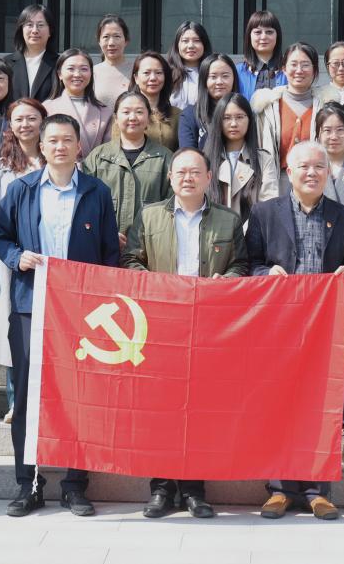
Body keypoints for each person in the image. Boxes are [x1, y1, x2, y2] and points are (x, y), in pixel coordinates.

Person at [0, 113, 120, 518]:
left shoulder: (97, 192)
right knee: (29, 396)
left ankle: (75, 485)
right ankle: (27, 484)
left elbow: (109, 254)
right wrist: (17, 256)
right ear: (41, 146)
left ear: (79, 146)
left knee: (79, 396)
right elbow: (0, 236)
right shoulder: (22, 189)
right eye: (53, 141)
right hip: (31, 306)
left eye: (67, 140)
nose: (60, 147)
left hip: (82, 312)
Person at [122, 147, 247, 518]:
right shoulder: (149, 216)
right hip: (160, 325)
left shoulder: (228, 220)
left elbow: (242, 265)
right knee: (160, 409)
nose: (188, 178)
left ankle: (194, 490)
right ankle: (161, 489)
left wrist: (225, 281)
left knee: (200, 408)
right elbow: (131, 260)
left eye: (195, 172)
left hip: (208, 326)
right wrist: (156, 287)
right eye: (181, 172)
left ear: (209, 177)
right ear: (170, 178)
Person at [247, 140, 344, 521]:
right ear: (289, 171)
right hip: (279, 329)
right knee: (279, 406)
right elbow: (250, 264)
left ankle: (318, 490)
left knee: (323, 407)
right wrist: (267, 274)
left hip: (326, 331)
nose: (312, 173)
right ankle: (279, 489)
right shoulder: (264, 213)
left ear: (328, 172)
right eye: (304, 167)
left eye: (319, 167)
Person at [0, 98, 46, 425]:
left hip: (49, 258)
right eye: (18, 119)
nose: (25, 125)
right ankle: (15, 401)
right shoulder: (0, 167)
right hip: (10, 260)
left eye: (32, 118)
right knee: (13, 331)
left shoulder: (58, 159)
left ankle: (44, 403)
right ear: (10, 125)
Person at [84, 89, 173, 249]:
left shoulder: (165, 158)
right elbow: (85, 203)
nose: (133, 117)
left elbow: (172, 205)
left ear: (149, 117)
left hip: (150, 248)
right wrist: (106, 233)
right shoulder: (98, 157)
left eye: (139, 112)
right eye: (126, 112)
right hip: (103, 247)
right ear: (116, 118)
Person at [253, 41, 323, 188]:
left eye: (305, 65)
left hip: (315, 183)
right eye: (293, 64)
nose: (299, 70)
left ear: (315, 70)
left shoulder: (325, 106)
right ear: (284, 69)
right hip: (277, 184)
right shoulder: (268, 106)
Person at [203, 92, 269, 219]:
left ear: (249, 119)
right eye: (226, 118)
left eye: (239, 117)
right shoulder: (206, 159)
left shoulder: (264, 159)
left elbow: (269, 202)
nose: (233, 123)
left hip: (253, 229)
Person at [43, 48, 112, 158]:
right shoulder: (46, 108)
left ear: (91, 73)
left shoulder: (105, 111)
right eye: (71, 69)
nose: (77, 74)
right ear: (60, 74)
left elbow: (109, 151)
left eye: (84, 69)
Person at [116, 50, 180, 151]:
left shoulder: (177, 114)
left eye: (158, 73)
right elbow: (115, 149)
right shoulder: (123, 112)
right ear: (136, 78)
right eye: (146, 73)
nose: (153, 78)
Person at [177, 53, 240, 151]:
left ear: (234, 79)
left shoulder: (244, 112)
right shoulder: (189, 115)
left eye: (225, 76)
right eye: (213, 77)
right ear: (204, 80)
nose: (219, 82)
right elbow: (188, 154)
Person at [6, 4, 59, 104]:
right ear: (21, 30)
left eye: (40, 25)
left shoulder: (59, 64)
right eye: (29, 25)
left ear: (50, 31)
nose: (35, 30)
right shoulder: (6, 63)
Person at [236, 9, 287, 99]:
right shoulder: (238, 71)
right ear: (249, 36)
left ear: (277, 36)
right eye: (258, 32)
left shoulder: (288, 70)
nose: (263, 37)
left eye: (269, 32)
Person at [167, 20, 212, 111]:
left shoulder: (212, 73)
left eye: (197, 41)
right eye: (185, 41)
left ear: (204, 44)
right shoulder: (166, 73)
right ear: (177, 45)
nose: (191, 46)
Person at [93, 14, 134, 109]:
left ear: (126, 41)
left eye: (117, 36)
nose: (111, 43)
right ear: (99, 41)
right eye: (106, 37)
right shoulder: (92, 73)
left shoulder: (137, 71)